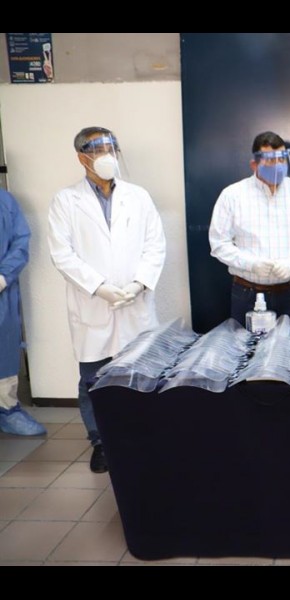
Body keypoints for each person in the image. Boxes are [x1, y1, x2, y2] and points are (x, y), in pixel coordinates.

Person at [48, 127, 166, 473]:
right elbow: (62, 254)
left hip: (135, 303)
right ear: (82, 157)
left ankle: (144, 436)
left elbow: (155, 244)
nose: (107, 155)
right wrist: (99, 287)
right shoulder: (65, 201)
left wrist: (139, 284)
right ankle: (101, 442)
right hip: (92, 305)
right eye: (97, 149)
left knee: (142, 373)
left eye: (111, 148)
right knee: (93, 379)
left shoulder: (138, 196)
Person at [209, 131, 290, 326]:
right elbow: (219, 244)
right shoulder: (232, 196)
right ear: (254, 164)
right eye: (270, 160)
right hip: (247, 294)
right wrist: (251, 264)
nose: (277, 166)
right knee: (246, 345)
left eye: (281, 159)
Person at [0, 190, 46, 436]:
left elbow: (20, 240)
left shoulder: (4, 202)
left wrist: (3, 276)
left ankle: (7, 410)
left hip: (1, 292)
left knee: (3, 350)